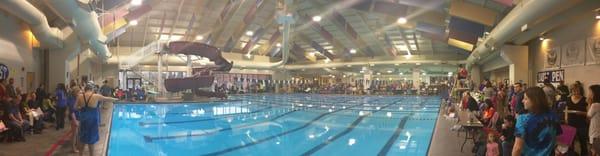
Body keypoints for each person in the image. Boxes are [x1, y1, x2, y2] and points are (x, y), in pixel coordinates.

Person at [512, 87, 562, 156]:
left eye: (526, 98)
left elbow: (517, 148)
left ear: (534, 100)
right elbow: (555, 138)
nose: (522, 101)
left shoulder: (522, 119)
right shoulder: (553, 116)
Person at [76, 83, 117, 156]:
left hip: (83, 119)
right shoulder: (96, 96)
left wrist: (82, 108)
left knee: (82, 138)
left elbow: (75, 107)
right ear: (91, 89)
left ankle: (80, 154)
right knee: (91, 140)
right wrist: (116, 99)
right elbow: (107, 98)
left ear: (85, 90)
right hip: (93, 120)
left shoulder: (80, 96)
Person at [565, 83, 589, 155]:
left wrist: (581, 113)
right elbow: (566, 110)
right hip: (571, 122)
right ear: (571, 91)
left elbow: (588, 113)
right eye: (573, 91)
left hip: (582, 124)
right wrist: (566, 119)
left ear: (580, 91)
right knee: (570, 142)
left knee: (583, 143)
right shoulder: (568, 99)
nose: (575, 93)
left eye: (577, 91)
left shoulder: (585, 99)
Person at [68, 80, 81, 153]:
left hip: (78, 117)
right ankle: (73, 148)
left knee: (77, 134)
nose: (79, 93)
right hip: (74, 118)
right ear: (75, 92)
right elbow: (72, 111)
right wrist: (75, 121)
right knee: (74, 134)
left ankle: (77, 146)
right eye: (78, 92)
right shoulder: (71, 100)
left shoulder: (77, 98)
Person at [587, 85, 600, 155]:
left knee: (594, 152)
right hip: (598, 132)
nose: (589, 93)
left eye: (590, 92)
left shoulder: (595, 105)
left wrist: (589, 103)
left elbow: (588, 116)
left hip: (595, 133)